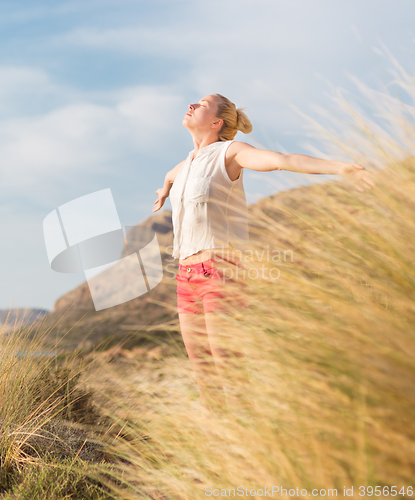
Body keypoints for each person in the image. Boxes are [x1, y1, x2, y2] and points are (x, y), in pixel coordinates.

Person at [153, 93, 376, 413]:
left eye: (201, 105)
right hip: (186, 278)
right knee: (204, 378)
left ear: (217, 122)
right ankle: (220, 448)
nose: (191, 105)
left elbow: (281, 160)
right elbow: (170, 177)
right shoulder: (185, 163)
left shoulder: (230, 153)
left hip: (220, 272)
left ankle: (250, 442)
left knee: (229, 370)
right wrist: (163, 192)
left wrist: (340, 168)